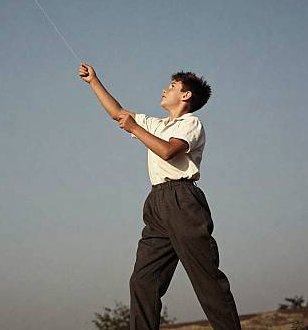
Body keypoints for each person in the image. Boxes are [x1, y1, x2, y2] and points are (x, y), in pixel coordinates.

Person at [78, 63, 241, 330]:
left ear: (186, 96)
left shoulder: (191, 123)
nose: (165, 89)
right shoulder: (157, 124)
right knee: (143, 281)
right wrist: (94, 82)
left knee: (205, 277)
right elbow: (118, 113)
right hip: (156, 202)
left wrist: (134, 129)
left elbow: (168, 152)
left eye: (173, 86)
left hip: (183, 201)